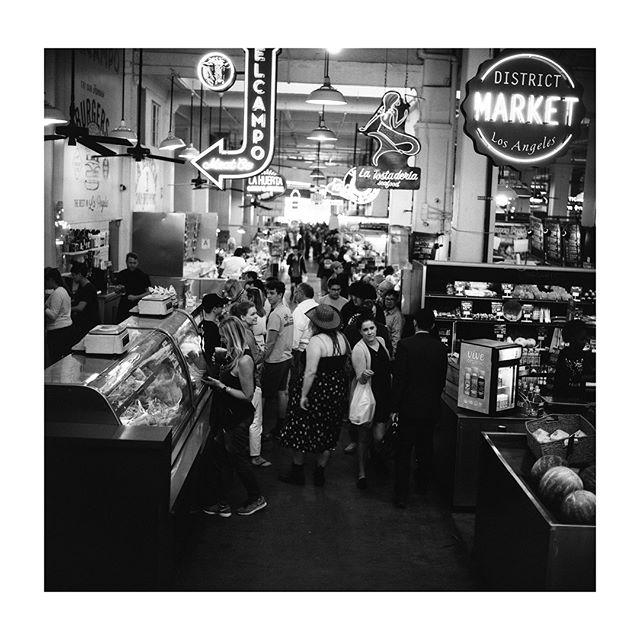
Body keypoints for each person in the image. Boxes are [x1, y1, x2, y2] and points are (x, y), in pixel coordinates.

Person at [201, 316, 267, 517]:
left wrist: (222, 386)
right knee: (222, 458)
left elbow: (247, 396)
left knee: (238, 459)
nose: (222, 341)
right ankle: (222, 503)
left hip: (237, 417)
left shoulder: (245, 360)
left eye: (224, 337)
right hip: (227, 415)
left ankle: (256, 498)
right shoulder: (232, 356)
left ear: (232, 336)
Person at [278, 304, 350, 486]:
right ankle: (320, 474)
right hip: (336, 390)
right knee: (328, 431)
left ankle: (297, 473)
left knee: (301, 430)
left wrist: (303, 395)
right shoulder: (342, 338)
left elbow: (310, 371)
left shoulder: (316, 342)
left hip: (316, 390)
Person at [390, 307, 448, 508]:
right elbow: (441, 381)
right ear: (432, 325)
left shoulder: (405, 345)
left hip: (408, 408)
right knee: (426, 448)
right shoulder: (441, 348)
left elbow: (399, 380)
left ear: (414, 323)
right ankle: (422, 486)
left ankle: (401, 494)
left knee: (404, 451)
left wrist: (394, 408)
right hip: (430, 408)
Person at [351, 315, 392, 489]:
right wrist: (363, 375)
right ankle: (362, 473)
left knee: (379, 437)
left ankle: (376, 459)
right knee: (363, 437)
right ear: (360, 332)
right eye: (365, 330)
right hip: (368, 397)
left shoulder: (381, 341)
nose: (369, 332)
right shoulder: (358, 349)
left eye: (372, 328)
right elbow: (360, 379)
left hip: (384, 395)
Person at [230, 301, 271, 468]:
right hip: (253, 382)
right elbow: (255, 359)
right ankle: (255, 456)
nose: (256, 317)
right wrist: (265, 351)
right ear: (242, 317)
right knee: (256, 420)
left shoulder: (242, 332)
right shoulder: (247, 334)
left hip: (244, 381)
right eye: (252, 314)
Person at [262, 280, 293, 439]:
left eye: (272, 293)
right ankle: (281, 425)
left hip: (274, 360)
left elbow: (271, 341)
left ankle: (260, 427)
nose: (268, 297)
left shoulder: (275, 315)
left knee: (265, 395)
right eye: (267, 293)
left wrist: (262, 360)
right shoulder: (287, 311)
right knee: (282, 392)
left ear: (280, 294)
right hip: (286, 357)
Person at [553, 320, 595, 402]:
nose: (584, 342)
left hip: (577, 397)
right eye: (582, 339)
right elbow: (563, 377)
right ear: (572, 338)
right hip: (564, 397)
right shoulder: (564, 354)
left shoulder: (584, 355)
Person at [45, 267, 74, 364]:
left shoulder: (57, 293)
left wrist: (44, 308)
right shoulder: (63, 290)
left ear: (50, 280)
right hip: (65, 329)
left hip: (57, 331)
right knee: (64, 362)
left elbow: (53, 315)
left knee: (56, 361)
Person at [291, 282, 318, 376]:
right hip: (317, 349)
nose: (294, 295)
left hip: (302, 352)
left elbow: (296, 332)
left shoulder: (300, 310)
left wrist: (292, 352)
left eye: (296, 292)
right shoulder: (318, 307)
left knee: (298, 380)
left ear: (301, 294)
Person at [115, 252, 151, 323]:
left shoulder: (143, 276)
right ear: (126, 262)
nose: (132, 265)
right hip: (123, 307)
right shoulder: (121, 274)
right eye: (130, 263)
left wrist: (136, 297)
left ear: (138, 263)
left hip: (138, 306)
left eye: (134, 263)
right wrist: (117, 290)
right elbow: (117, 291)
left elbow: (149, 292)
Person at [69, 261, 99, 341]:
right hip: (84, 323)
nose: (73, 277)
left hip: (89, 324)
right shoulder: (81, 287)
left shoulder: (88, 288)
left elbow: (80, 307)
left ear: (80, 274)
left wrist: (68, 309)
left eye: (74, 275)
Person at [200, 293, 228, 368]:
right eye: (221, 306)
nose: (223, 308)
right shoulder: (214, 330)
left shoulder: (202, 325)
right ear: (215, 309)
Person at [382, 289, 404, 358]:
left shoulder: (397, 316)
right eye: (387, 299)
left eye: (392, 299)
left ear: (396, 301)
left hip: (390, 349)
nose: (389, 301)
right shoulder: (384, 312)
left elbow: (396, 337)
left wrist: (393, 355)